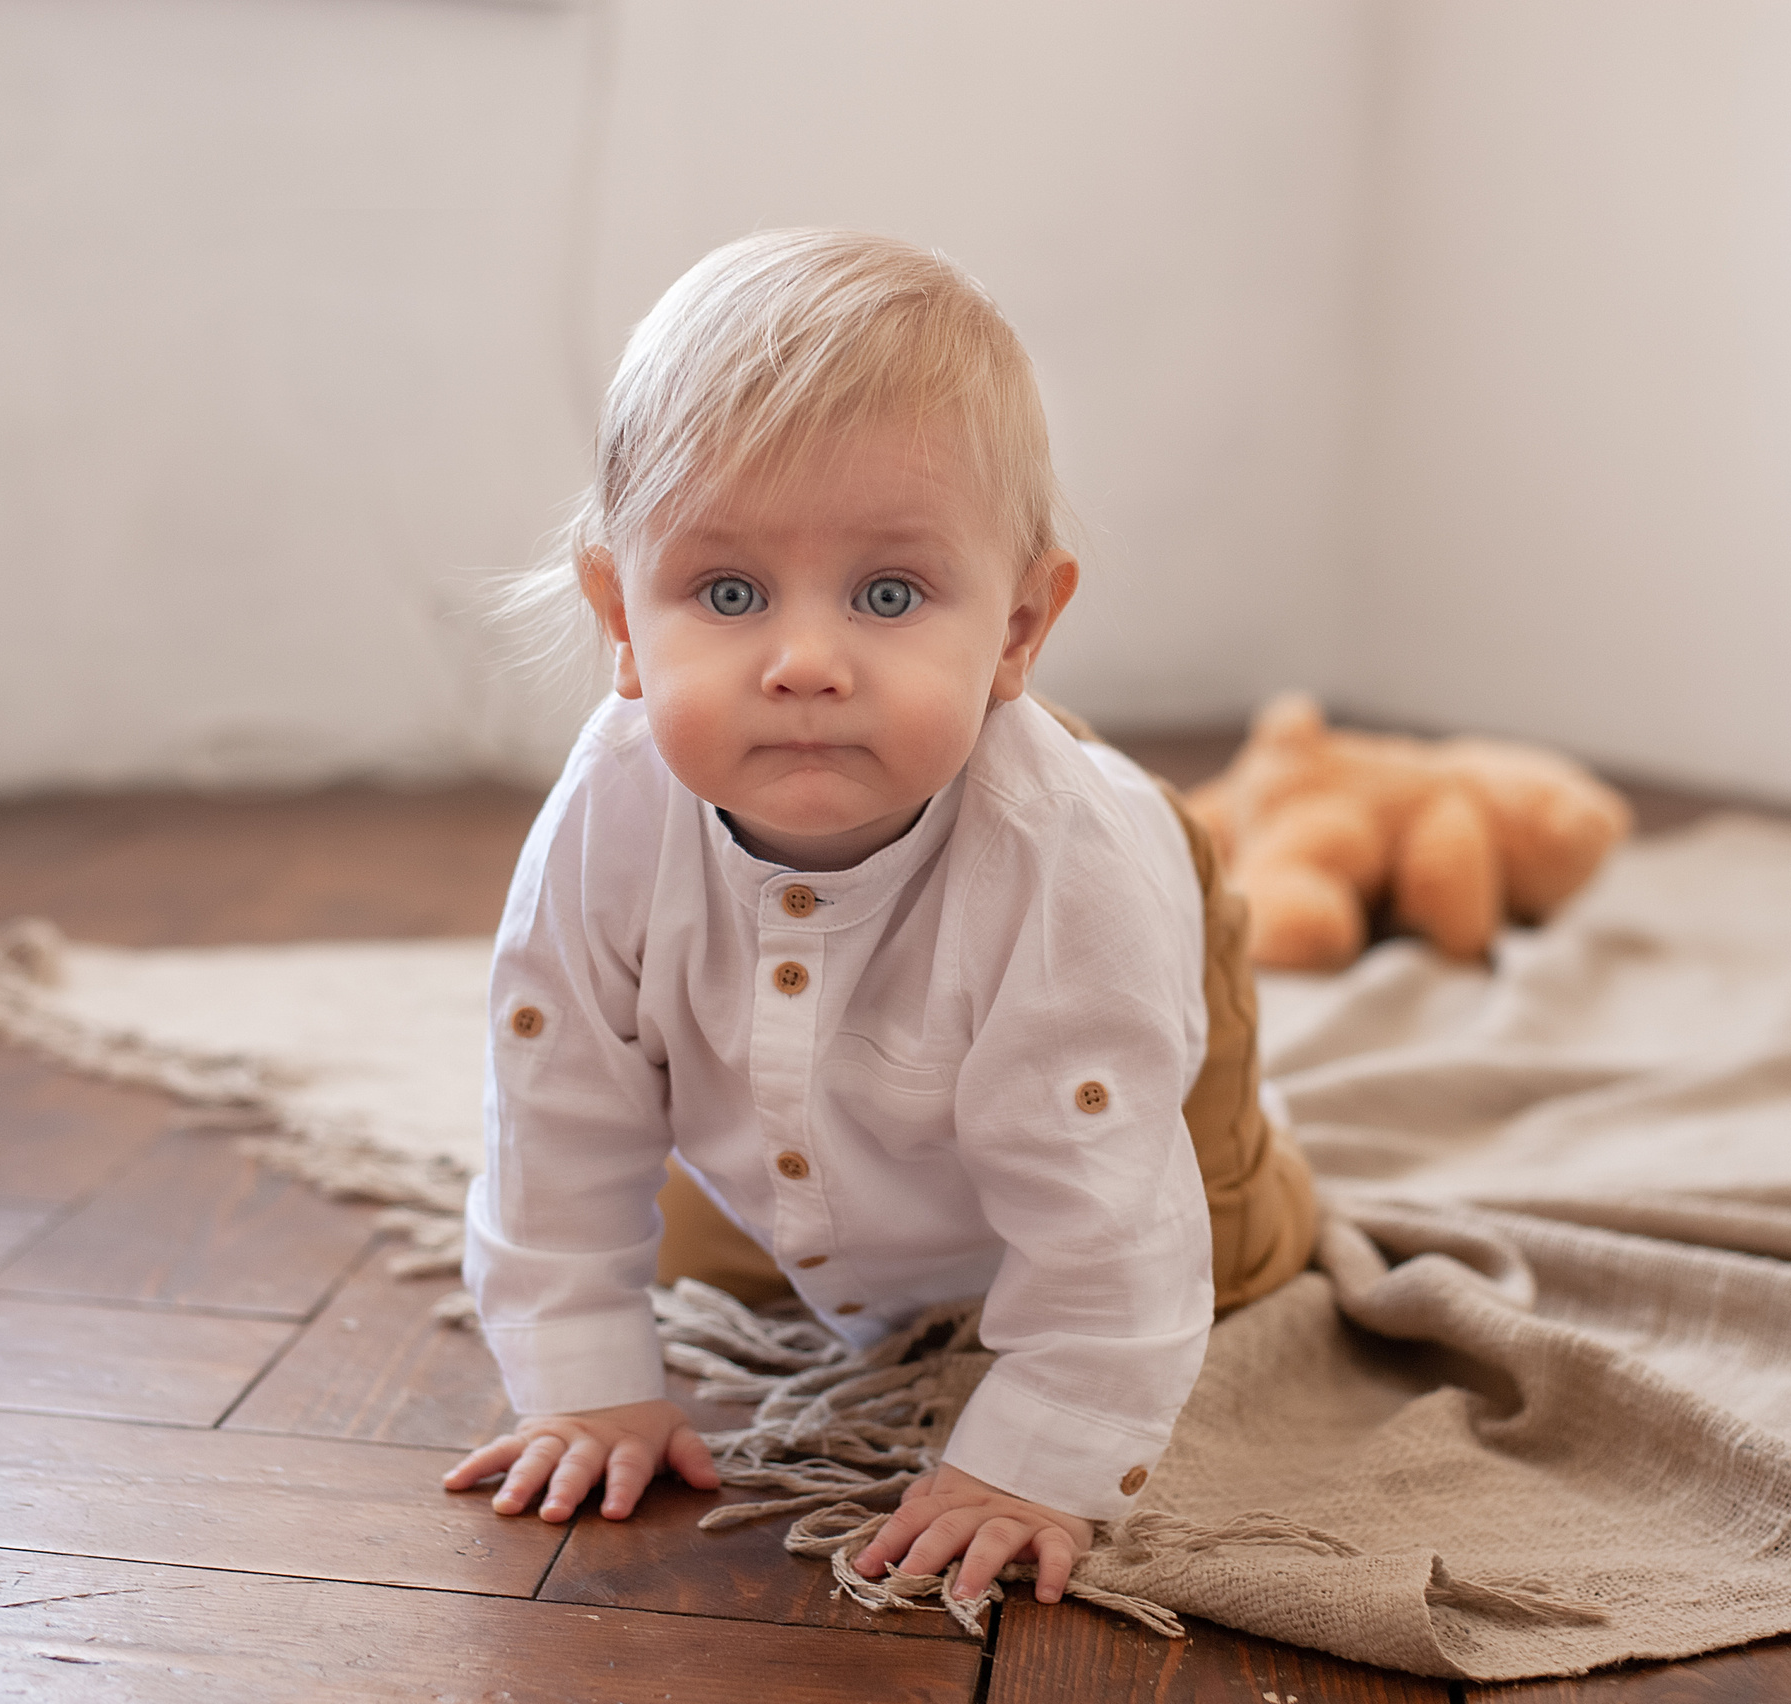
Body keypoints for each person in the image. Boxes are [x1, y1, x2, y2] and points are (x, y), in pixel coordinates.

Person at [443, 229, 1315, 1605]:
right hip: (806, 1070)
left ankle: (1257, 1189)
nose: (803, 663)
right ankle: (867, 1217)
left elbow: (1113, 1241)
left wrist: (1036, 1459)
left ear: (1020, 627)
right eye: (726, 594)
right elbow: (556, 1109)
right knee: (751, 1238)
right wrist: (588, 1381)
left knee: (1215, 1229)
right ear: (621, 613)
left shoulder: (1068, 875)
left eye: (889, 594)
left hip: (1115, 970)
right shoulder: (608, 820)